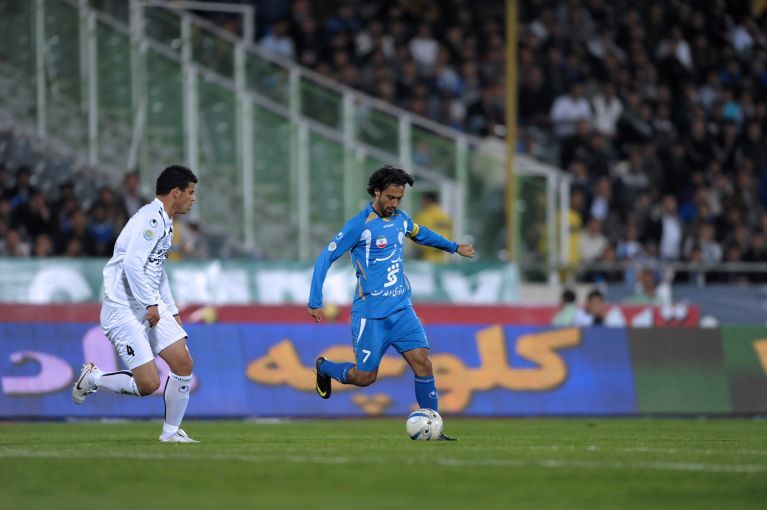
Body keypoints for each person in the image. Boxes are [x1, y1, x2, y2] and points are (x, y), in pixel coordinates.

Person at [307, 165, 475, 440]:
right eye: (390, 198)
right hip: (370, 315)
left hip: (401, 310)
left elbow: (421, 233)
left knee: (423, 363)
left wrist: (454, 247)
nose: (394, 204)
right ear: (376, 192)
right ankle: (324, 367)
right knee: (365, 377)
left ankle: (434, 427)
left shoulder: (401, 219)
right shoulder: (359, 225)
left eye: (399, 198)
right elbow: (325, 258)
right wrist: (315, 300)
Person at [71, 165, 199, 443]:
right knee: (148, 383)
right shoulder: (150, 219)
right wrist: (150, 304)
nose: (193, 198)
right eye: (190, 192)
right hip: (123, 308)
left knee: (183, 363)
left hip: (149, 303)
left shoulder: (165, 222)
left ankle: (171, 433)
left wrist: (172, 310)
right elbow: (131, 264)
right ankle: (93, 378)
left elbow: (157, 271)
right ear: (176, 193)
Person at [413, 191, 453, 263]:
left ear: (428, 200)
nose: (421, 203)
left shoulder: (423, 215)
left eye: (423, 200)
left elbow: (417, 235)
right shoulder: (443, 215)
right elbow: (449, 234)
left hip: (426, 257)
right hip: (442, 257)